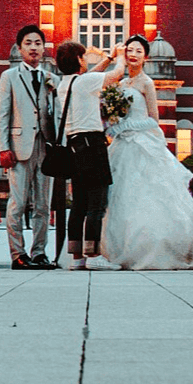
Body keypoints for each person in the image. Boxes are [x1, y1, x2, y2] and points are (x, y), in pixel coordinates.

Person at [101, 35, 193, 270]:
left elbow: (154, 119)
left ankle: (149, 247)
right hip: (121, 145)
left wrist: (127, 126)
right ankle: (118, 247)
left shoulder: (146, 83)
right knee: (120, 195)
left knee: (145, 195)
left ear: (146, 57)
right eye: (130, 50)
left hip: (141, 143)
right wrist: (114, 125)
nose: (133, 54)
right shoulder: (119, 85)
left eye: (138, 51)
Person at [54, 40, 124, 268]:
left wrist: (108, 58)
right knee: (97, 203)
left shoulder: (66, 84)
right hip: (93, 145)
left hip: (74, 146)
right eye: (83, 57)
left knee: (79, 204)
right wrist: (120, 56)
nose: (86, 61)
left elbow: (91, 76)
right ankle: (93, 254)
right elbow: (118, 75)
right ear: (77, 60)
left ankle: (77, 257)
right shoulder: (85, 83)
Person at [0, 24, 58, 270]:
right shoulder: (9, 76)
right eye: (29, 43)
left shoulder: (50, 78)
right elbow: (2, 115)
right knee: (17, 204)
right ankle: (18, 254)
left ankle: (40, 252)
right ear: (20, 48)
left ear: (44, 48)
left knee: (43, 205)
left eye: (38, 43)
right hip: (19, 147)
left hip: (46, 146)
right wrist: (3, 148)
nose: (34, 48)